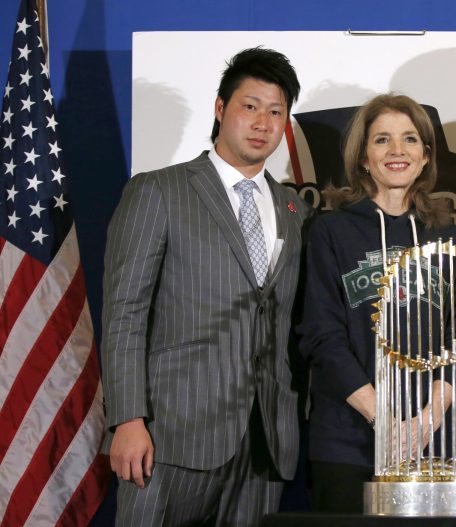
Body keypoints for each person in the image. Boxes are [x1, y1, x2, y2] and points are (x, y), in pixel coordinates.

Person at [101, 47, 313, 526]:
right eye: (250, 106)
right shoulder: (158, 191)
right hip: (170, 435)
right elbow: (124, 314)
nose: (262, 122)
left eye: (276, 112)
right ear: (221, 109)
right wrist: (127, 419)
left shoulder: (294, 211)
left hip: (265, 442)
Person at [297, 94, 456, 513]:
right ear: (363, 157)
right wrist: (384, 419)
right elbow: (322, 334)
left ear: (426, 157)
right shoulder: (329, 231)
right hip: (348, 438)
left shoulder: (449, 237)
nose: (397, 151)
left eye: (410, 140)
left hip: (435, 437)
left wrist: (427, 419)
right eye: (382, 140)